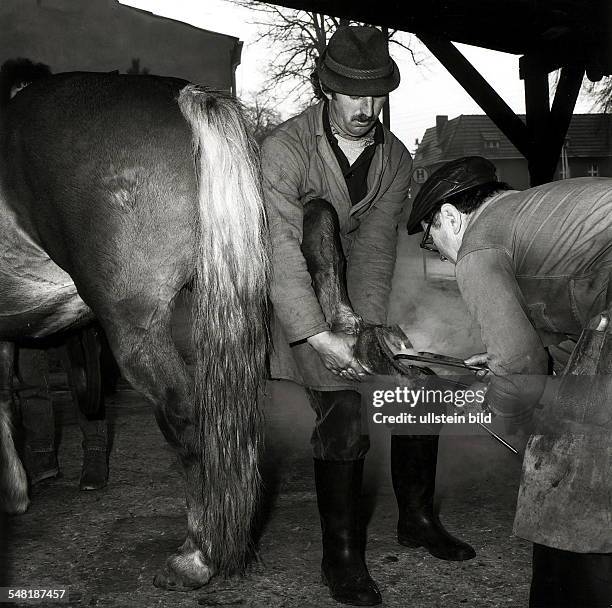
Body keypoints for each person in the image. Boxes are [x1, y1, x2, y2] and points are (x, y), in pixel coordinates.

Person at [261, 25, 474, 607]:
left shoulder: (395, 158)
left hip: (355, 301)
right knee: (345, 408)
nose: (367, 108)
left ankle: (417, 518)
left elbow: (378, 251)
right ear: (326, 89)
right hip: (296, 293)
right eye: (354, 94)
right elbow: (280, 250)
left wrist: (365, 332)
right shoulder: (283, 149)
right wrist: (318, 332)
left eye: (378, 94)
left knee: (417, 386)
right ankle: (342, 555)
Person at [406, 156, 612, 607]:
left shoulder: (479, 245)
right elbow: (567, 331)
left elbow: (520, 366)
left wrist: (502, 415)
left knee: (571, 483)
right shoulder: (532, 216)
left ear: (449, 216)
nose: (438, 252)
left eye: (430, 239)